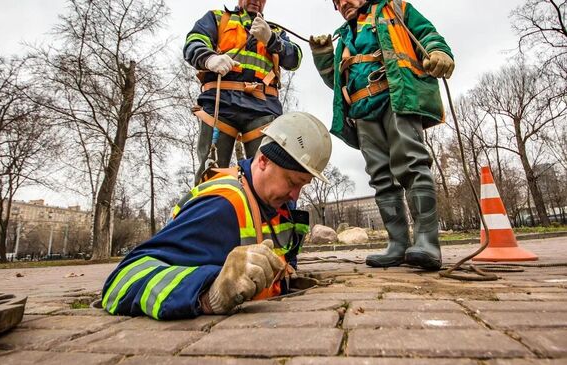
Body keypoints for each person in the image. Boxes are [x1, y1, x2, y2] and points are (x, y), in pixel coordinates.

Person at [101, 112, 332, 320]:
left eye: (303, 184)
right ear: (263, 160)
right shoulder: (221, 206)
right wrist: (209, 293)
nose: (295, 194)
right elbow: (122, 282)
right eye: (292, 182)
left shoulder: (281, 202)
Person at [309, 0, 454, 270]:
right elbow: (337, 81)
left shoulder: (395, 8)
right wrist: (323, 56)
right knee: (381, 177)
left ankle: (427, 242)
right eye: (337, 2)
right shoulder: (344, 37)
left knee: (411, 163)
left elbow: (427, 33)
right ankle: (397, 244)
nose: (343, 4)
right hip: (362, 111)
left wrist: (438, 51)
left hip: (396, 97)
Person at [184, 0, 303, 184]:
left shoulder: (274, 31)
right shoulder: (217, 19)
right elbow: (193, 42)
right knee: (210, 174)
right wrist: (208, 58)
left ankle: (261, 212)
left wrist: (271, 39)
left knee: (268, 177)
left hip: (263, 109)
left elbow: (294, 58)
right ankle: (202, 209)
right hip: (220, 105)